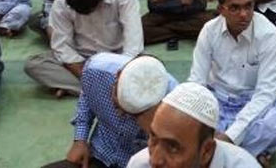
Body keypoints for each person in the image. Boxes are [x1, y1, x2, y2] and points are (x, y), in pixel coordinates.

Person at [188, 0, 276, 164]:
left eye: (248, 6)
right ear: (221, 9)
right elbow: (197, 82)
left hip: (252, 100)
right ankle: (250, 155)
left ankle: (217, 153)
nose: (244, 14)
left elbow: (265, 93)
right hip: (217, 98)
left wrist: (230, 135)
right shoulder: (209, 31)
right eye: (235, 8)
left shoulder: (269, 35)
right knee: (180, 105)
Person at [42, 54, 177, 168]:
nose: (120, 114)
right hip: (101, 154)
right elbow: (87, 96)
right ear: (117, 76)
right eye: (118, 105)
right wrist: (80, 139)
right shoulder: (95, 71)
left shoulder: (173, 105)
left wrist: (152, 130)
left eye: (132, 115)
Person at [24, 0, 143, 96]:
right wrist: (82, 72)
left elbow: (133, 41)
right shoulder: (61, 2)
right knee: (35, 65)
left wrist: (122, 71)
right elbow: (62, 46)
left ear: (100, 1)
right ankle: (114, 91)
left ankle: (81, 88)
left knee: (148, 65)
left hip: (117, 56)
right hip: (82, 58)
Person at [127, 82, 260, 168]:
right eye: (153, 139)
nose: (155, 161)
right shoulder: (139, 164)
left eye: (173, 147)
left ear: (206, 151)